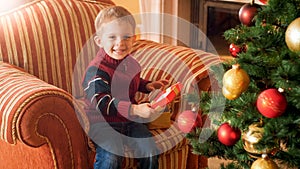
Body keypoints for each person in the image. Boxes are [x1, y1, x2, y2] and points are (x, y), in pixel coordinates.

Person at [82, 6, 168, 169]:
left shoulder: (131, 63)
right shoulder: (96, 70)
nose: (120, 43)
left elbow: (131, 81)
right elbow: (102, 102)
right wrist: (135, 109)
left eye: (126, 37)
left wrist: (147, 85)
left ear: (134, 38)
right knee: (112, 155)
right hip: (103, 122)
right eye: (112, 37)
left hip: (130, 121)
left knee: (150, 150)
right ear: (99, 41)